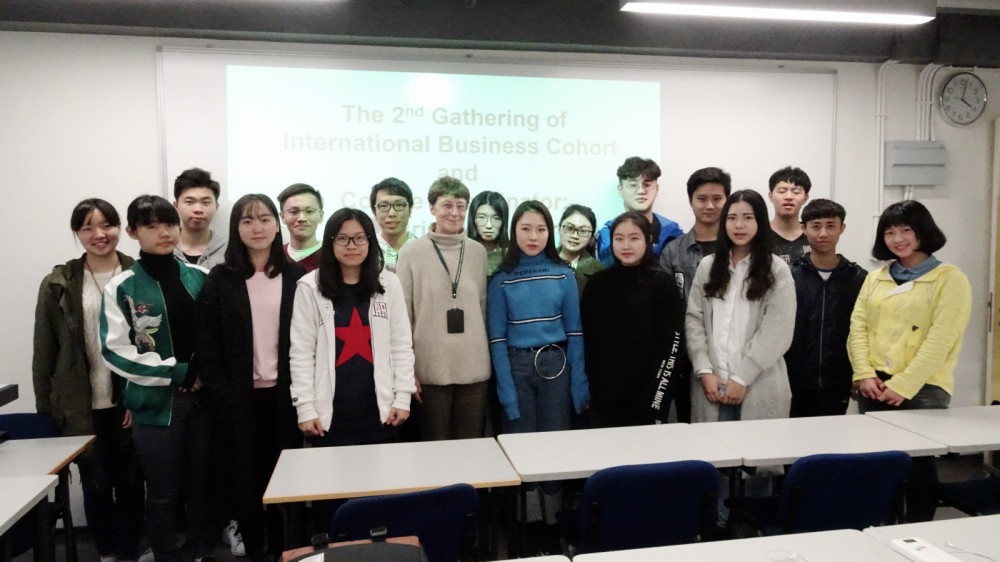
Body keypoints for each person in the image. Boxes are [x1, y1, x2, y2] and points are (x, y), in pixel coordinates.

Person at [101, 195, 213, 562]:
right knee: (163, 492)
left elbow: (216, 335)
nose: (163, 233)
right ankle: (165, 554)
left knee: (201, 486)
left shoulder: (200, 277)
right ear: (133, 232)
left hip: (203, 400)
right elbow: (115, 351)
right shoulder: (122, 287)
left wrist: (201, 371)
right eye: (151, 226)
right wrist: (174, 370)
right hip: (155, 405)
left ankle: (202, 552)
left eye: (169, 224)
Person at [33, 199, 144, 562]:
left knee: (132, 484)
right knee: (96, 485)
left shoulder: (139, 274)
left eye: (107, 225)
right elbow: (44, 351)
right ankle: (108, 554)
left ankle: (129, 553)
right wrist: (47, 411)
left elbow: (151, 345)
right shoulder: (58, 283)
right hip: (81, 405)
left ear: (120, 228)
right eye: (87, 228)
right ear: (77, 233)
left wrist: (137, 395)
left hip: (129, 402)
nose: (99, 234)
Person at [197, 194, 305, 561]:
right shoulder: (221, 279)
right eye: (247, 220)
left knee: (285, 479)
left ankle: (283, 549)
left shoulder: (297, 277)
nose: (256, 228)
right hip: (239, 399)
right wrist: (223, 394)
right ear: (236, 228)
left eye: (264, 219)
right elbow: (207, 343)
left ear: (277, 224)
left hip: (286, 398)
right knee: (245, 481)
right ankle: (256, 551)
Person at [848, 199, 971, 521]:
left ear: (922, 231)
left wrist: (904, 384)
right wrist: (863, 373)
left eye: (906, 230)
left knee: (918, 465)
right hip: (874, 385)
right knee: (879, 463)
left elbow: (942, 340)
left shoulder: (949, 278)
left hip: (923, 388)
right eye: (889, 232)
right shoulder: (876, 277)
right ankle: (880, 528)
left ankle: (917, 531)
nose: (897, 239)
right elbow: (858, 326)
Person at [487, 200, 590, 536]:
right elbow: (497, 339)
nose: (533, 236)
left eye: (541, 229)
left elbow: (575, 333)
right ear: (513, 231)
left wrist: (579, 383)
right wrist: (506, 391)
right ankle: (527, 528)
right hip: (517, 366)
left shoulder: (564, 274)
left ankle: (552, 525)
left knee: (554, 444)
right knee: (523, 445)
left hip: (556, 364)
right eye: (526, 229)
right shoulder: (501, 279)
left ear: (550, 232)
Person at [290, 208, 416, 447]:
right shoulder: (309, 287)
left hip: (381, 411)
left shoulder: (388, 283)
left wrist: (402, 398)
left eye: (359, 238)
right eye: (342, 238)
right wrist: (305, 407)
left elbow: (401, 344)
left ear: (370, 241)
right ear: (330, 242)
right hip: (328, 415)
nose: (351, 246)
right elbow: (301, 352)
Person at [686, 189, 795, 424]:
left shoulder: (776, 270)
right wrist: (704, 370)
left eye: (747, 217)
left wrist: (742, 378)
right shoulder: (708, 266)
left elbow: (777, 331)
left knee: (758, 446)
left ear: (760, 222)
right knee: (712, 447)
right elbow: (694, 320)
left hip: (759, 385)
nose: (739, 225)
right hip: (712, 386)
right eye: (732, 218)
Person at [396, 176, 491, 441]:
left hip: (474, 368)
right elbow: (402, 318)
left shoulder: (478, 252)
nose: (455, 212)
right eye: (447, 205)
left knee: (472, 447)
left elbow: (483, 310)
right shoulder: (411, 252)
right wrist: (407, 371)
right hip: (429, 370)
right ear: (431, 208)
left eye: (461, 206)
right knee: (435, 448)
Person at [581, 211, 686, 427]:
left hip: (647, 399)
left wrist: (658, 403)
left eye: (634, 238)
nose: (626, 245)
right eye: (619, 238)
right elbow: (589, 343)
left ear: (648, 240)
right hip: (603, 399)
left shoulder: (663, 284)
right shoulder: (597, 284)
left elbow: (673, 346)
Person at [659, 166, 731, 423]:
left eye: (717, 199)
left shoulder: (738, 249)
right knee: (688, 424)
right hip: (685, 356)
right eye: (702, 199)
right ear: (691, 201)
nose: (709, 206)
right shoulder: (673, 251)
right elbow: (666, 309)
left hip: (731, 353)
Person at [786, 199, 866, 418]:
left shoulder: (858, 278)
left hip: (838, 381)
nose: (823, 233)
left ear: (842, 228)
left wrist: (859, 374)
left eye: (831, 226)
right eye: (816, 226)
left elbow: (864, 331)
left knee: (833, 437)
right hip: (794, 380)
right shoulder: (789, 276)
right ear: (803, 228)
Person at [594, 156, 682, 265]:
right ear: (620, 190)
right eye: (633, 185)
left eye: (647, 185)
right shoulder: (606, 235)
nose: (641, 191)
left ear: (657, 189)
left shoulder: (673, 232)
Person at [173, 167, 228, 270]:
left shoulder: (229, 251)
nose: (198, 209)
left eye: (205, 202)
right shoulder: (164, 247)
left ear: (216, 207)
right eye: (189, 202)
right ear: (176, 206)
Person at [370, 177, 417, 273]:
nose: (392, 213)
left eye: (399, 205)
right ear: (374, 212)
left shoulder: (424, 248)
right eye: (384, 206)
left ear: (410, 210)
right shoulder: (368, 250)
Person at [557, 204, 604, 297]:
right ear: (559, 229)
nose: (575, 236)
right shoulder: (542, 263)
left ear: (591, 237)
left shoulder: (600, 273)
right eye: (570, 228)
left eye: (583, 231)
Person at [767, 166, 811, 264]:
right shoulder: (759, 233)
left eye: (796, 192)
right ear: (770, 196)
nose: (789, 197)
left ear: (805, 198)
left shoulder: (813, 234)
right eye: (782, 191)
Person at [278, 183, 325, 272]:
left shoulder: (333, 255)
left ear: (321, 216)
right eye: (294, 212)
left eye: (309, 211)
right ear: (282, 217)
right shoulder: (274, 257)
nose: (302, 218)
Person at [467, 190, 510, 276]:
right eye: (482, 217)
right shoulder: (461, 253)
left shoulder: (512, 256)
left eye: (496, 218)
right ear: (473, 219)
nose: (489, 225)